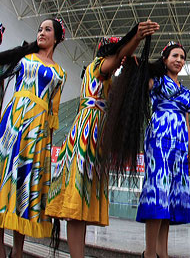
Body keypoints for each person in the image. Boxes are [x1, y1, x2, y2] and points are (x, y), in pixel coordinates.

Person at [45, 20, 159, 258]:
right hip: (88, 134)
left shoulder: (106, 79)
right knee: (78, 199)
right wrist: (135, 39)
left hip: (96, 137)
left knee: (82, 199)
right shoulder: (97, 66)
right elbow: (117, 59)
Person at [110, 42, 190, 258]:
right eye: (175, 55)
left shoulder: (185, 90)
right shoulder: (156, 80)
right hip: (159, 136)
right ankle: (149, 253)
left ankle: (162, 253)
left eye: (182, 57)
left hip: (180, 143)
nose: (179, 60)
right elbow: (138, 83)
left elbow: (187, 123)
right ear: (164, 59)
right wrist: (135, 65)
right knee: (158, 190)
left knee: (169, 196)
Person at [0, 19, 66, 258]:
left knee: (25, 185)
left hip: (37, 135)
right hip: (13, 125)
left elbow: (54, 113)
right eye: (39, 29)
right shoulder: (23, 59)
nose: (41, 33)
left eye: (47, 29)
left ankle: (17, 252)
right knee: (5, 180)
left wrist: (46, 146)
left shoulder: (60, 73)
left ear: (57, 38)